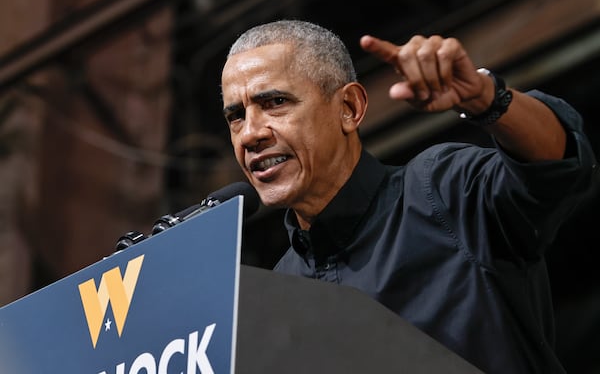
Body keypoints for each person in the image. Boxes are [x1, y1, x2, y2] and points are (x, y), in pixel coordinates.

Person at [219, 19, 597, 374]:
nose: (250, 134)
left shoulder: (443, 191)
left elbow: (557, 165)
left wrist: (487, 98)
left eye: (275, 103)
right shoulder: (280, 289)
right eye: (236, 116)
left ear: (349, 108)